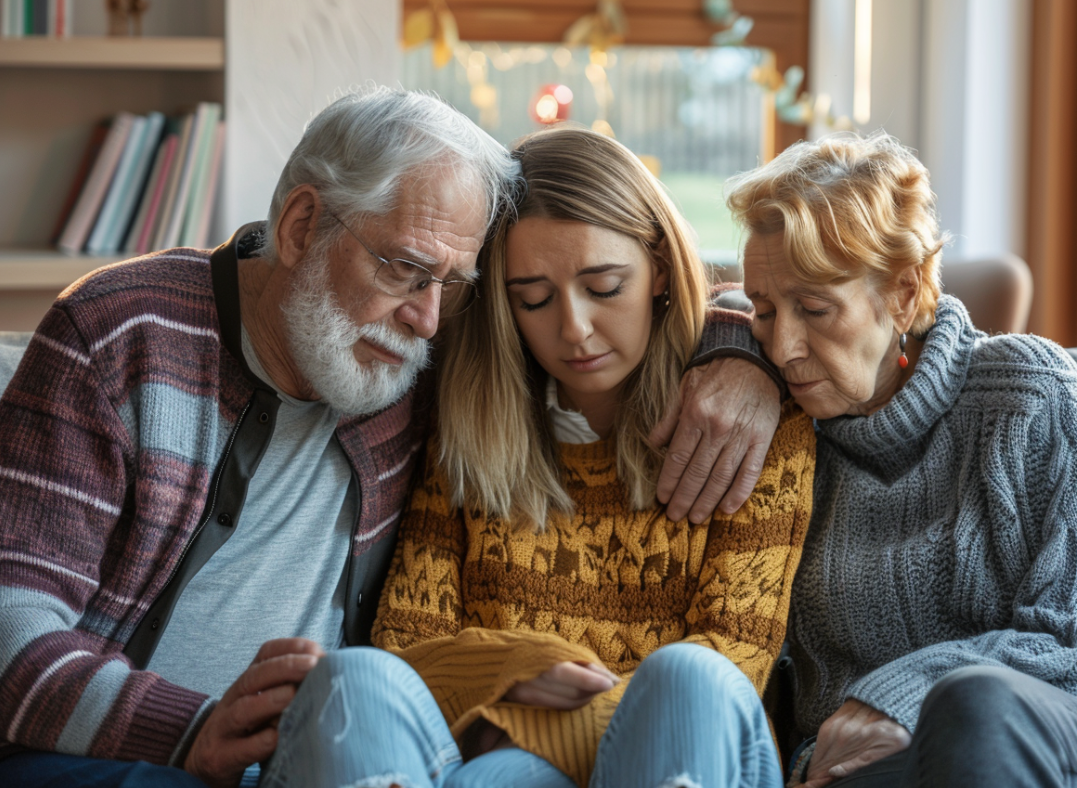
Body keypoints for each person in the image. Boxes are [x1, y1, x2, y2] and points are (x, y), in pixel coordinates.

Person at [0, 89, 782, 788]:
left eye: (453, 285)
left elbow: (645, 291)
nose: (429, 319)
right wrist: (192, 729)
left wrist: (741, 348)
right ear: (302, 226)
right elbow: (10, 629)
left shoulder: (406, 351)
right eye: (407, 269)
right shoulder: (120, 334)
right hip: (116, 753)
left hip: (317, 748)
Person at [256, 125, 817, 788]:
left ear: (659, 266)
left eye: (604, 287)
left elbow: (735, 663)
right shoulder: (468, 428)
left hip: (679, 753)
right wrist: (513, 668)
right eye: (534, 298)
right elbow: (407, 650)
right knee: (355, 678)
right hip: (480, 763)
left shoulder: (753, 421)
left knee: (688, 676)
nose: (573, 329)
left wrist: (511, 729)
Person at [725, 130, 1077, 788]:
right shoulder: (786, 431)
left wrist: (900, 691)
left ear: (902, 293)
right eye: (764, 311)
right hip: (894, 772)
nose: (782, 346)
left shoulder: (1027, 392)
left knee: (974, 703)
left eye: (814, 308)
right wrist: (723, 347)